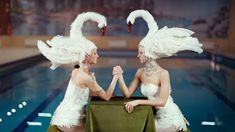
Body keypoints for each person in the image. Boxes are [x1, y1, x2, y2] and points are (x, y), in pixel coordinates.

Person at [113, 9, 203, 132]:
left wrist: (137, 102)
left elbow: (162, 102)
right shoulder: (140, 72)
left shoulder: (163, 74)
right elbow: (127, 94)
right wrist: (120, 77)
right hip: (153, 115)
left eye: (140, 53)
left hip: (168, 117)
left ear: (149, 53)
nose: (138, 55)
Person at [37, 12, 118, 132]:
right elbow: (106, 97)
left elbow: (84, 93)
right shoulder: (86, 77)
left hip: (61, 117)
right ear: (86, 57)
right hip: (72, 122)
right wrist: (116, 77)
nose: (98, 55)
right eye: (95, 53)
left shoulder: (76, 70)